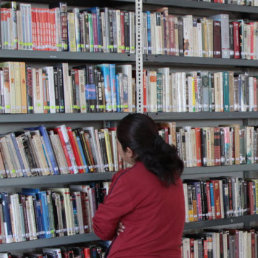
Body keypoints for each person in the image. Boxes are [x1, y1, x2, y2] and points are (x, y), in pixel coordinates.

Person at [93, 113, 185, 257]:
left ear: (129, 151)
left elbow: (102, 229)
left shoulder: (128, 179)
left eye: (117, 143)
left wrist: (118, 224)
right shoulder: (172, 174)